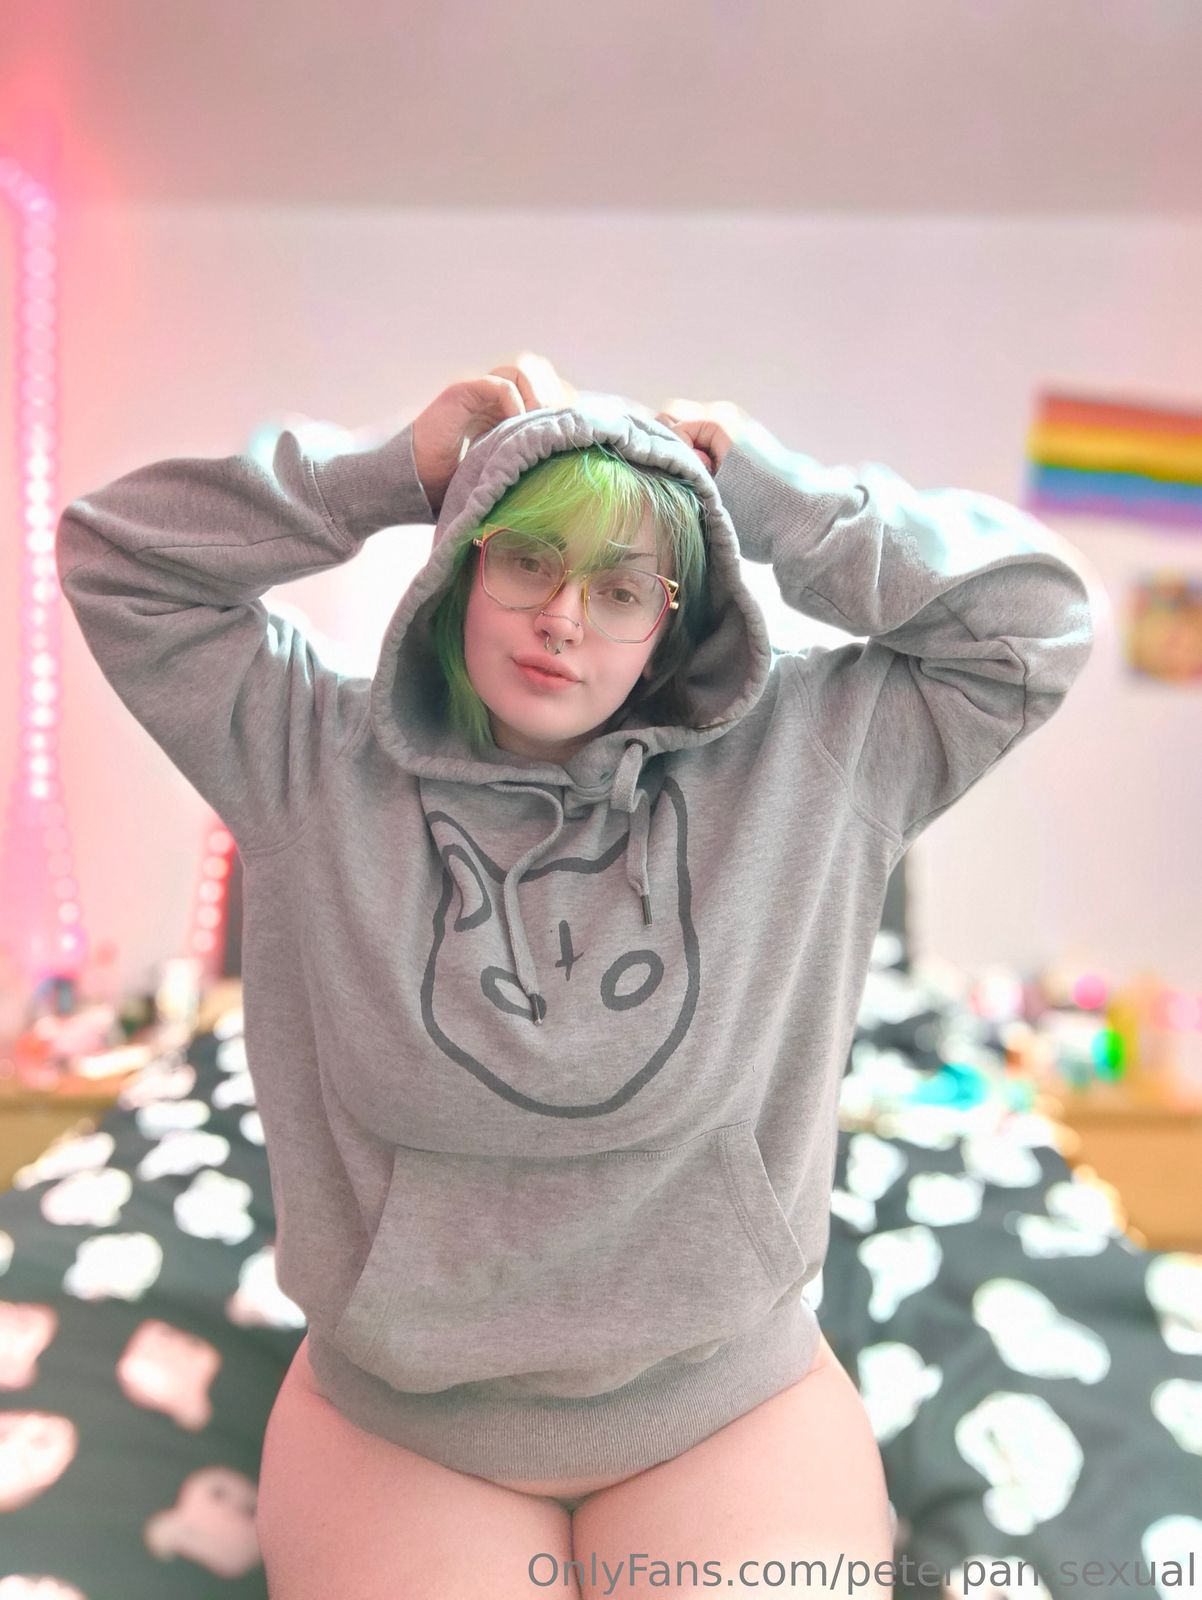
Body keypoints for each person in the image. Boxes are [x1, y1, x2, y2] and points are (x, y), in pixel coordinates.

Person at [56, 352, 1095, 1597]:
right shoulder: (308, 757)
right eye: (529, 561)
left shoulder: (809, 759)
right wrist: (385, 476)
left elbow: (1035, 624)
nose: (562, 618)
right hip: (404, 1422)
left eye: (620, 588)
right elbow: (118, 556)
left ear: (669, 621)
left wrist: (776, 498)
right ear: (461, 564)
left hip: (723, 1401)